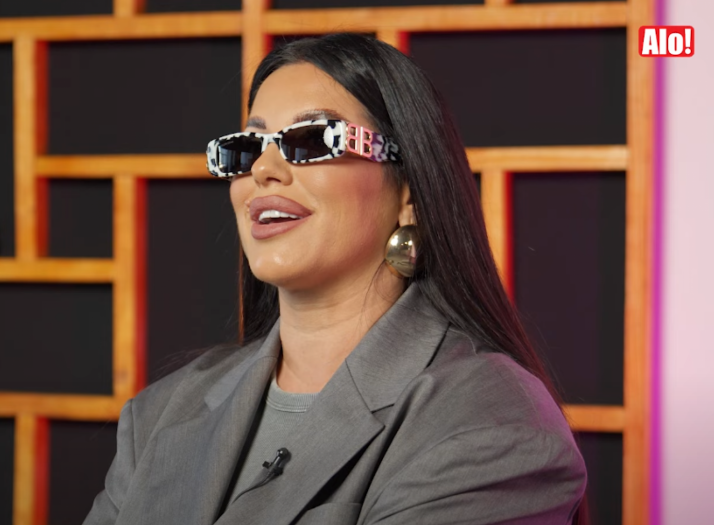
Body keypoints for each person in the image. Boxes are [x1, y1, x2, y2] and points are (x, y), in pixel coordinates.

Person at [84, 33, 587, 525]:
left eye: (310, 140)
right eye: (248, 147)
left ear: (409, 193)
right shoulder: (160, 415)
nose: (264, 169)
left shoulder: (490, 421)